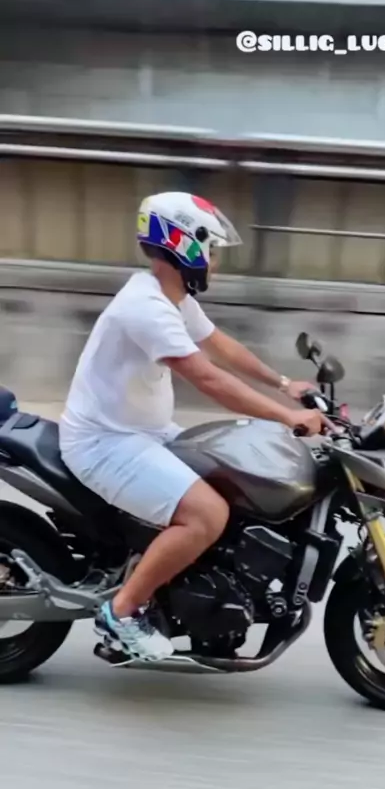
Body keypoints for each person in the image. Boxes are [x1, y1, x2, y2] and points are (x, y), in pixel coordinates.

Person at [59, 192, 332, 663]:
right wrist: (288, 417)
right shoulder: (146, 307)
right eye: (212, 248)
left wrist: (286, 384)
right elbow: (208, 377)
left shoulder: (169, 296)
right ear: (184, 244)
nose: (216, 260)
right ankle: (122, 613)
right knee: (207, 514)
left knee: (232, 476)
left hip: (140, 432)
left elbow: (220, 345)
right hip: (105, 443)